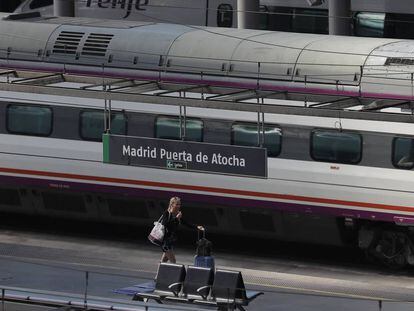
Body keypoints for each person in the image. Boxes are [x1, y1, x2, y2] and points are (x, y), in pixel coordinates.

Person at [159, 196, 204, 263]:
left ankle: (159, 273)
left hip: (170, 241)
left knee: (164, 260)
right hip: (165, 241)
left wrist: (196, 227)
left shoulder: (177, 214)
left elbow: (185, 223)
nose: (178, 206)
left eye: (179, 204)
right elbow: (165, 224)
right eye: (176, 204)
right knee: (173, 261)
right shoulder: (167, 213)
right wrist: (176, 218)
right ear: (172, 204)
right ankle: (171, 273)